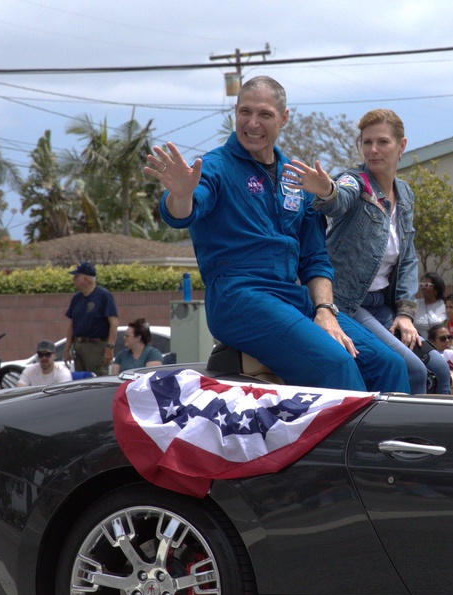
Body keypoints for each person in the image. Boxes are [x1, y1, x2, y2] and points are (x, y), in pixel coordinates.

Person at [146, 76, 407, 393]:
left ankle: (392, 443)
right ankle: (343, 445)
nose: (252, 123)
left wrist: (325, 310)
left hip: (293, 299)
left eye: (265, 114)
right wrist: (181, 195)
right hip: (239, 298)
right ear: (235, 113)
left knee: (390, 365)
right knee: (336, 364)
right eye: (245, 112)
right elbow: (181, 211)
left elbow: (315, 259)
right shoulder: (214, 166)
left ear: (284, 118)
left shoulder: (295, 177)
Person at [284, 108, 447, 395]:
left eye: (382, 142)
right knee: (413, 369)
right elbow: (339, 197)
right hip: (349, 303)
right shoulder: (355, 182)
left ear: (401, 145)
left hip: (383, 306)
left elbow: (408, 258)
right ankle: (410, 436)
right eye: (366, 142)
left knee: (441, 368)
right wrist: (326, 190)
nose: (373, 150)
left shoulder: (405, 194)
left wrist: (405, 313)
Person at [64, 261, 118, 376]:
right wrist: (67, 348)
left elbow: (113, 323)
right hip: (79, 346)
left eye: (76, 276)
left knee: (97, 380)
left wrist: (110, 347)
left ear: (85, 279)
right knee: (81, 380)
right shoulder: (76, 299)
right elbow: (72, 325)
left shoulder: (104, 296)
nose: (74, 279)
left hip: (96, 346)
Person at [414, 272, 447, 338]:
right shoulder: (415, 304)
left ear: (436, 287)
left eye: (426, 285)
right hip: (420, 345)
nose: (423, 288)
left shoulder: (445, 304)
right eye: (421, 285)